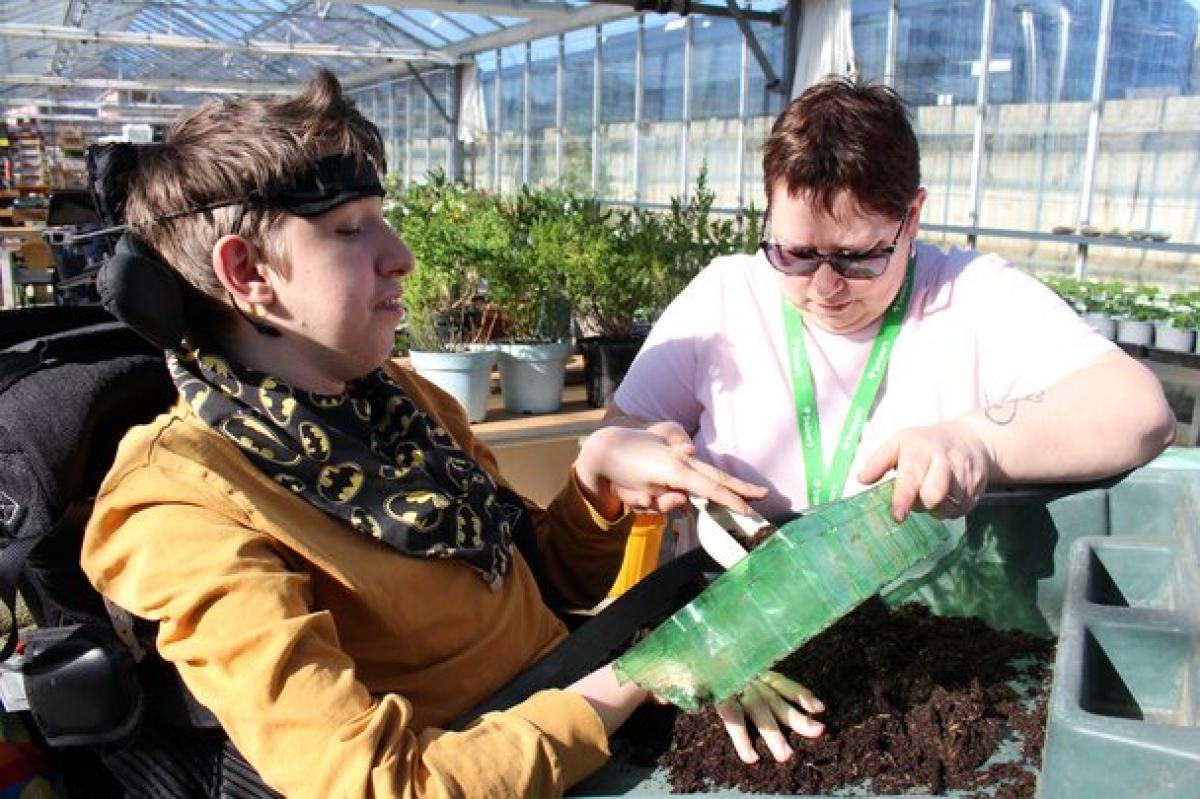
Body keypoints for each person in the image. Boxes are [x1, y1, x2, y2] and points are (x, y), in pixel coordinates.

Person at [80, 71, 768, 798]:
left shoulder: (401, 401)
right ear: (248, 272)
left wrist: (595, 484)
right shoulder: (178, 505)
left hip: (572, 710)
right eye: (350, 228)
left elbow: (537, 582)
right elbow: (378, 783)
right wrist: (631, 679)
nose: (400, 253)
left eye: (383, 215)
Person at [606, 77, 1175, 761]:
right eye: (794, 252)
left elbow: (1138, 406)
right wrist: (633, 451)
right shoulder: (726, 296)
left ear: (913, 216)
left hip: (925, 644)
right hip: (742, 641)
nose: (823, 286)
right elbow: (623, 433)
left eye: (857, 256)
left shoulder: (970, 297)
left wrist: (976, 440)